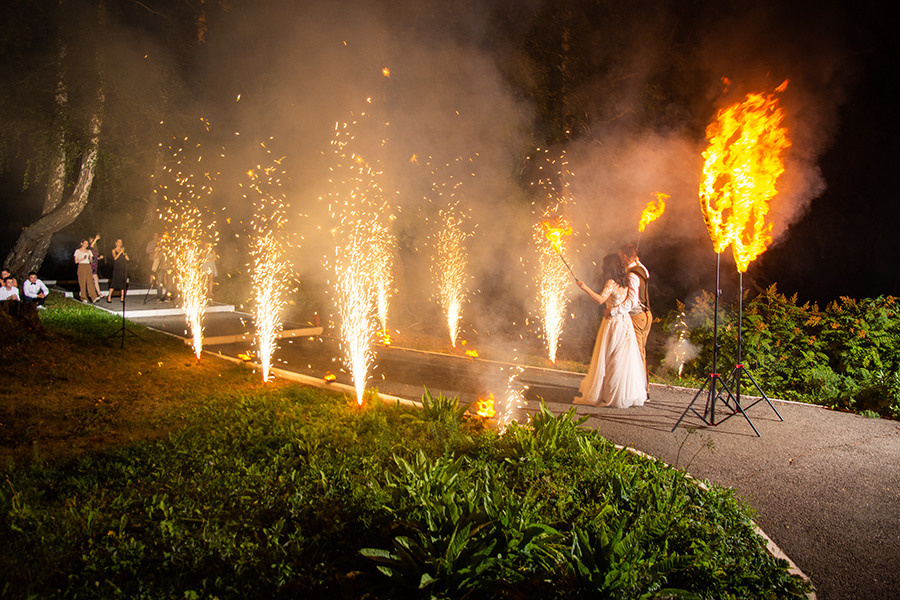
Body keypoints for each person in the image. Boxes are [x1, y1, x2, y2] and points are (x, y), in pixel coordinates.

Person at [573, 253, 646, 408]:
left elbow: (600, 300)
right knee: (622, 358)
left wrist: (585, 287)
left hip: (613, 324)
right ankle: (623, 393)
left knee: (609, 358)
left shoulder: (611, 282)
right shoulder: (626, 282)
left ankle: (609, 394)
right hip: (625, 322)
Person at [620, 243, 652, 395]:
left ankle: (643, 391)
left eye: (621, 257)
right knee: (640, 352)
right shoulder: (642, 270)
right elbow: (643, 268)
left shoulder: (632, 274)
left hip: (637, 316)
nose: (620, 259)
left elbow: (632, 301)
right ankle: (635, 386)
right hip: (647, 316)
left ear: (625, 257)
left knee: (638, 354)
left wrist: (615, 310)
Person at [107, 238, 129, 303]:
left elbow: (128, 259)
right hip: (117, 268)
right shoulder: (113, 250)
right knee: (114, 282)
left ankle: (122, 297)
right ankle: (109, 296)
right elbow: (115, 258)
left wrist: (125, 254)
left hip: (123, 268)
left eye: (121, 242)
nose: (120, 243)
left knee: (122, 282)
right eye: (118, 242)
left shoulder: (123, 250)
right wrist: (120, 252)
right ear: (116, 243)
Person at [88, 233, 104, 302]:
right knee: (94, 279)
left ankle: (97, 293)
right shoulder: (89, 248)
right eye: (91, 240)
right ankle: (97, 293)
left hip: (95, 265)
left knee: (95, 279)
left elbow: (95, 258)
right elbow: (91, 246)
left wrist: (99, 258)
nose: (92, 241)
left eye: (93, 240)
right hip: (90, 265)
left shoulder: (95, 249)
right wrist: (96, 239)